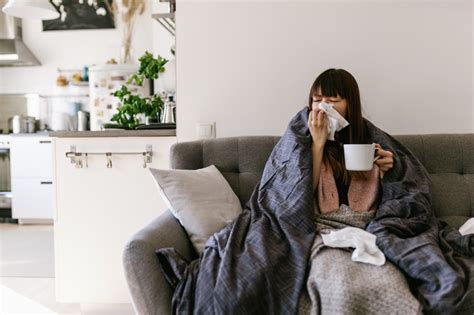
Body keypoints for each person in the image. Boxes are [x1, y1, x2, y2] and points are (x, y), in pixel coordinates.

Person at [298, 68, 423, 314]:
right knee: (341, 285)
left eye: (333, 101)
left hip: (369, 231)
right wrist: (318, 143)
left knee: (389, 285)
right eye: (317, 100)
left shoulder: (371, 140)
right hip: (323, 234)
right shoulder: (301, 140)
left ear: (350, 104)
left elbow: (405, 191)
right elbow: (297, 195)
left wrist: (391, 170)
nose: (324, 107)